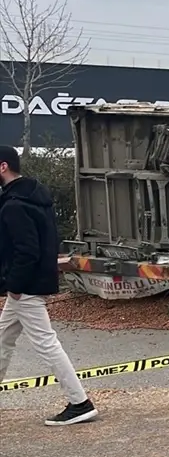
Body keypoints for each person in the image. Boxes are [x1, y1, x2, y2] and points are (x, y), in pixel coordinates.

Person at [0, 145, 99, 426]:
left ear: (3, 166)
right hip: (29, 285)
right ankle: (80, 403)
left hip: (25, 288)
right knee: (3, 338)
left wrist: (14, 284)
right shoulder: (33, 198)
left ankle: (80, 403)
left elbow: (27, 250)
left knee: (46, 344)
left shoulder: (14, 205)